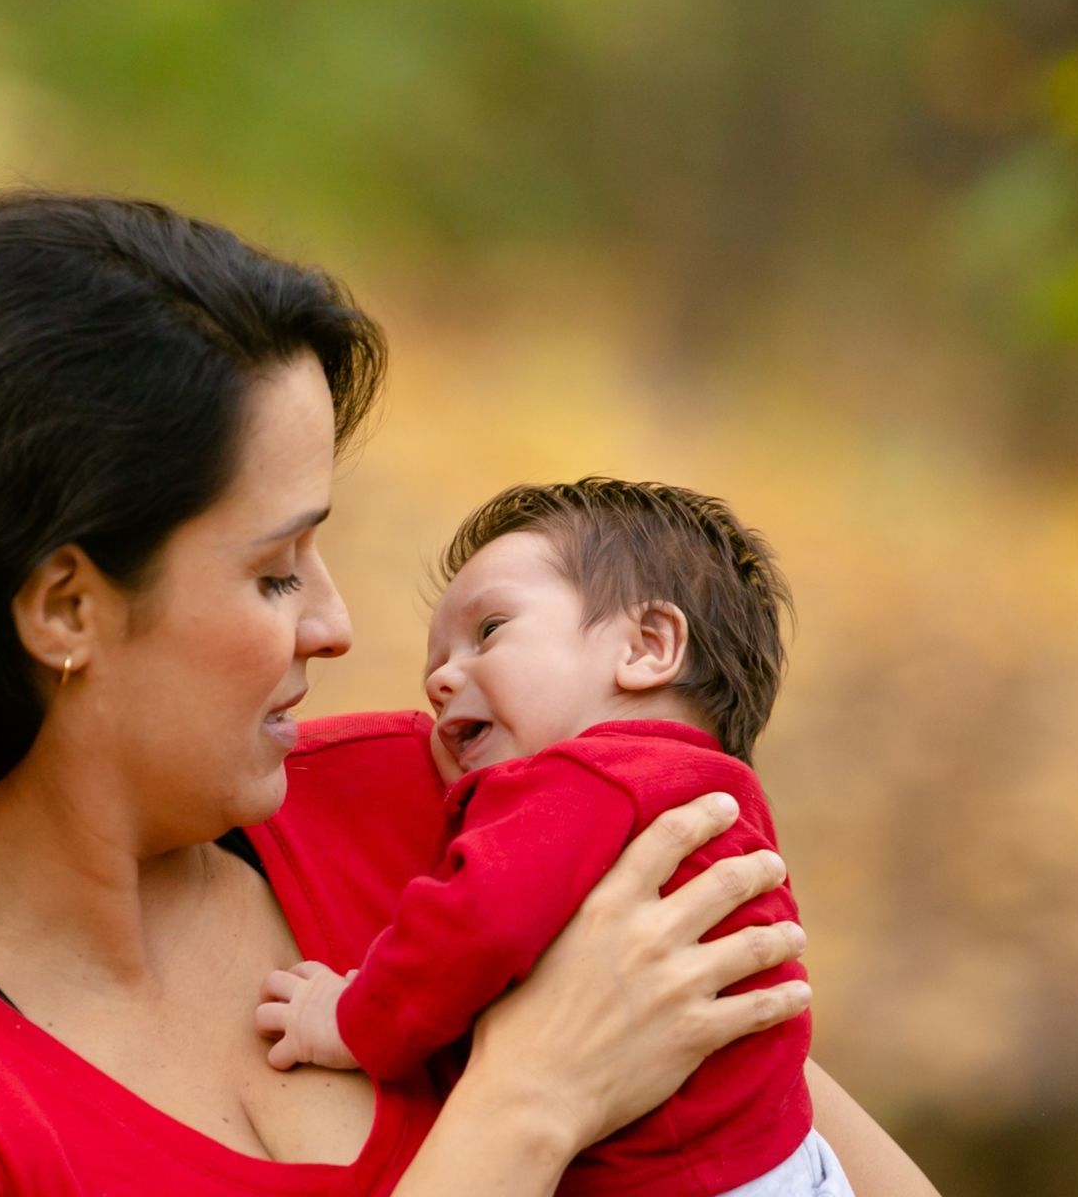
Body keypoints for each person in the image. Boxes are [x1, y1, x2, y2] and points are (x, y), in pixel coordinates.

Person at [0, 189, 938, 1195]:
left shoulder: (456, 797)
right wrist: (529, 1100)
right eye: (277, 572)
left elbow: (783, 1138)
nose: (339, 626)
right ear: (64, 606)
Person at [257, 479, 849, 1196]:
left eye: (490, 631)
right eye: (434, 664)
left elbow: (476, 925)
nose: (443, 677)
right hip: (796, 1161)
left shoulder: (584, 779)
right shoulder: (718, 795)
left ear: (647, 646)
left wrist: (350, 1019)